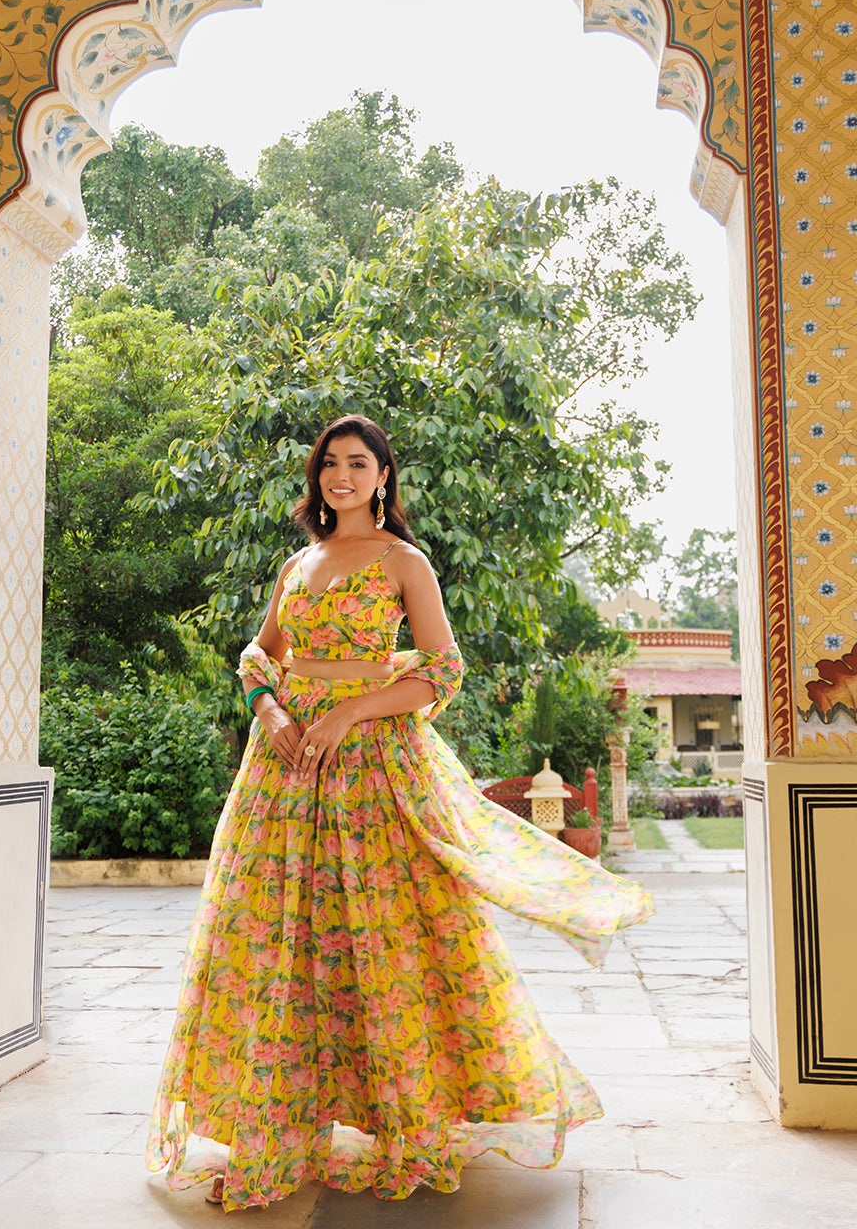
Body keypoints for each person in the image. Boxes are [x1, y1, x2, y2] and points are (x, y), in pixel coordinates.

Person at [146, 414, 652, 1212]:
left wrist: (351, 712)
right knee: (277, 936)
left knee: (380, 934)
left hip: (373, 766)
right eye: (328, 465)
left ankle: (401, 1116)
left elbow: (443, 673)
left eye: (357, 464)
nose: (339, 477)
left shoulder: (400, 560)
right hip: (284, 775)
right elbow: (256, 653)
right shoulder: (298, 562)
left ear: (383, 477)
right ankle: (275, 1127)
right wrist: (272, 713)